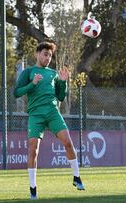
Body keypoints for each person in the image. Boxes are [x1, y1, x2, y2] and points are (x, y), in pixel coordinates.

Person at [14, 41, 85, 200]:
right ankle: (33, 188)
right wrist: (32, 83)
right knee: (33, 149)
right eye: (45, 54)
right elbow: (16, 92)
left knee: (68, 142)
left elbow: (60, 96)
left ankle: (77, 177)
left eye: (50, 55)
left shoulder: (53, 73)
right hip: (36, 115)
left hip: (53, 113)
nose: (48, 58)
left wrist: (63, 82)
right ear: (37, 54)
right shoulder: (29, 72)